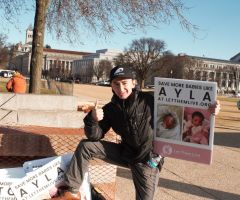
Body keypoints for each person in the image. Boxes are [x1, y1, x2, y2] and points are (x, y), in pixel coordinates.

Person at [50, 66, 221, 200]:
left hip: (146, 160)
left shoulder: (150, 100)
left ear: (133, 82)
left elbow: (183, 106)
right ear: (111, 85)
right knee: (86, 147)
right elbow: (95, 136)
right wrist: (92, 119)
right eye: (116, 84)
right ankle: (71, 192)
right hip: (125, 153)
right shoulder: (111, 109)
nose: (121, 88)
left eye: (124, 83)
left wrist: (211, 109)